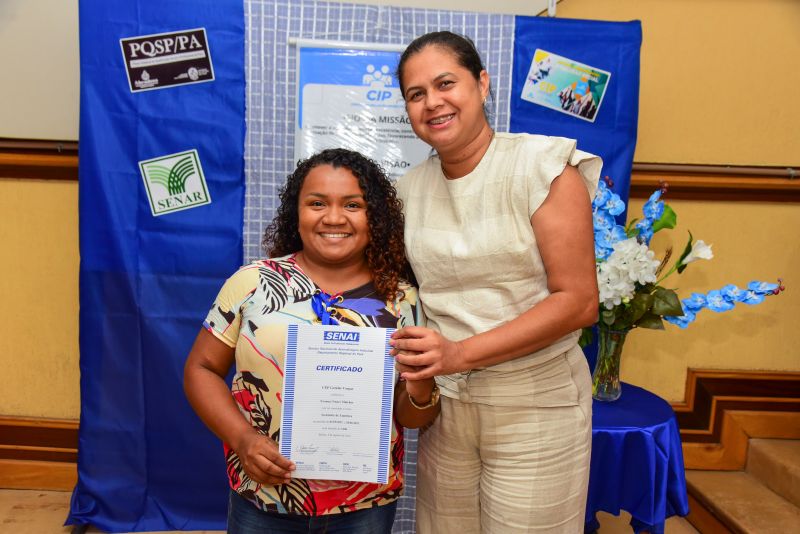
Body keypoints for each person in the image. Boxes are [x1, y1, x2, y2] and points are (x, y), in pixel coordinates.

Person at [390, 31, 602, 533]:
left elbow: (578, 303)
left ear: (482, 84)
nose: (432, 102)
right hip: (448, 411)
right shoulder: (406, 191)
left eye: (446, 83)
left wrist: (460, 354)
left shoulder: (543, 167)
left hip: (537, 406)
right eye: (416, 95)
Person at [184, 148, 439, 534]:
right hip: (264, 495)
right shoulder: (253, 283)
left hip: (364, 503)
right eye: (317, 203)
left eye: (352, 204)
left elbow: (412, 416)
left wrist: (421, 385)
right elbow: (200, 369)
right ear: (296, 212)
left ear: (375, 216)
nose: (334, 217)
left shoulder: (403, 299)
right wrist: (242, 439)